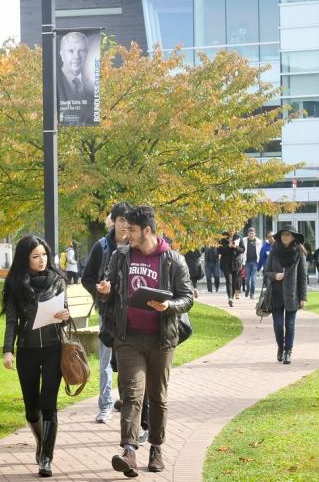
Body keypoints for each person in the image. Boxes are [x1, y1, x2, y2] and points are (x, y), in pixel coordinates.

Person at [97, 205, 193, 477]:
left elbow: (188, 298)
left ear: (147, 231)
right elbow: (109, 289)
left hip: (161, 340)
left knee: (157, 397)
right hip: (128, 338)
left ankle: (156, 448)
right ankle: (128, 451)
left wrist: (168, 306)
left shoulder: (174, 260)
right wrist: (105, 291)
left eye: (132, 230)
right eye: (125, 229)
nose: (127, 234)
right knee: (131, 393)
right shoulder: (121, 256)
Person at [1, 235, 71, 477]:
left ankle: (46, 458)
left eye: (44, 255)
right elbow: (11, 321)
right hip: (28, 352)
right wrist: (7, 350)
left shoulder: (58, 280)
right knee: (32, 410)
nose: (42, 260)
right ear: (25, 259)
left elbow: (67, 312)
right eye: (35, 256)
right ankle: (42, 442)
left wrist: (65, 315)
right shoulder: (16, 284)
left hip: (54, 349)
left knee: (48, 405)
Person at [82, 202, 131, 425]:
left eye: (129, 221)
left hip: (132, 314)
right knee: (105, 361)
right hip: (107, 314)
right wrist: (98, 290)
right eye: (121, 220)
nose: (125, 225)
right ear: (114, 221)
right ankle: (105, 405)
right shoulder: (101, 247)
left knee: (129, 362)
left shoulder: (137, 247)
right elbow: (86, 278)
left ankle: (127, 404)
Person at [264, 225, 308, 365]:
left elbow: (302, 276)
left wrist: (303, 297)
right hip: (276, 294)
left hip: (292, 295)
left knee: (289, 325)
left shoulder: (299, 253)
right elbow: (266, 272)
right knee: (278, 325)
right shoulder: (274, 251)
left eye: (288, 235)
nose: (285, 237)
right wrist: (274, 275)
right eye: (283, 234)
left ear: (293, 237)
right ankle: (281, 348)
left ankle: (288, 352)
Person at [57, 31, 94, 126]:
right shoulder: (54, 83)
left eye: (81, 51)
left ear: (87, 54)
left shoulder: (92, 86)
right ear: (62, 54)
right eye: (71, 51)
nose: (77, 56)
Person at [218, 230, 244, 307]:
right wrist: (227, 246)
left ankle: (232, 296)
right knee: (229, 280)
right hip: (226, 263)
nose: (231, 231)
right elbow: (219, 250)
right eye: (230, 229)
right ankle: (230, 297)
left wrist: (236, 247)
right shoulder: (222, 238)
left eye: (233, 229)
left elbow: (242, 250)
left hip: (236, 263)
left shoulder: (238, 238)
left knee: (234, 281)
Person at [242, 227, 262, 299]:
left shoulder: (258, 241)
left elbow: (260, 253)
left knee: (253, 280)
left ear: (255, 233)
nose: (251, 235)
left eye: (252, 233)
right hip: (247, 262)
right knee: (247, 280)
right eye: (250, 233)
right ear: (248, 234)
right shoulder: (244, 240)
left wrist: (260, 264)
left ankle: (252, 294)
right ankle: (247, 290)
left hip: (255, 262)